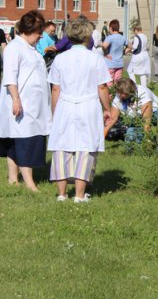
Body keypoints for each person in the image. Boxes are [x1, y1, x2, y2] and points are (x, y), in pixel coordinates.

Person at [48, 17, 112, 203]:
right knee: (86, 147)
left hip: (65, 104)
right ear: (87, 36)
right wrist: (107, 108)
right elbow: (102, 87)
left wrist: (55, 110)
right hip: (88, 105)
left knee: (61, 146)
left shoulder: (60, 58)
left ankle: (61, 194)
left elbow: (55, 88)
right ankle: (79, 194)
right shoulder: (95, 58)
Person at [0, 10, 52, 191]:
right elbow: (10, 77)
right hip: (22, 104)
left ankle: (13, 179)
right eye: (38, 32)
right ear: (29, 30)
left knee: (16, 141)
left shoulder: (30, 49)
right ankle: (29, 182)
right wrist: (16, 99)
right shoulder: (14, 48)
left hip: (34, 105)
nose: (41, 36)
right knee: (24, 141)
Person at [104, 78, 158, 155]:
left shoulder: (143, 93)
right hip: (136, 118)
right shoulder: (119, 95)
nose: (119, 95)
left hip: (154, 113)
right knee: (130, 143)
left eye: (122, 94)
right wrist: (105, 131)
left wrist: (148, 139)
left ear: (129, 92)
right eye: (119, 93)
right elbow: (114, 118)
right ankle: (137, 143)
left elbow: (147, 120)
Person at [102, 19, 127, 85]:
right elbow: (130, 46)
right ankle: (117, 95)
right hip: (119, 64)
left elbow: (104, 46)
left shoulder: (110, 37)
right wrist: (124, 51)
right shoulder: (123, 37)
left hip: (110, 64)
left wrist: (106, 53)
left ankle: (110, 95)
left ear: (110, 28)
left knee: (109, 82)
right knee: (118, 83)